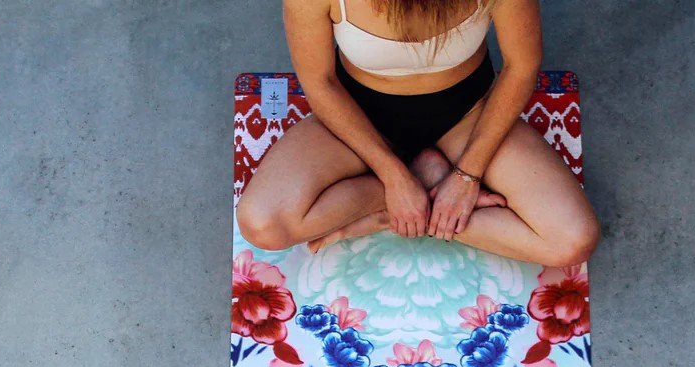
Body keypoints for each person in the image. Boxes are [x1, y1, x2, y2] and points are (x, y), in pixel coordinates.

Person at [236, 0, 601, 266]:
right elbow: (320, 83)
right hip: (360, 119)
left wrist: (467, 176)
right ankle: (407, 194)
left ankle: (411, 205)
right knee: (263, 225)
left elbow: (521, 67)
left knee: (572, 242)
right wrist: (393, 179)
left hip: (468, 115)